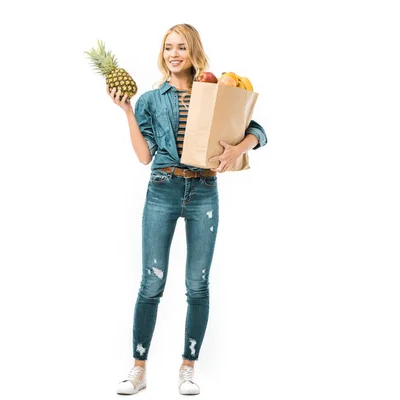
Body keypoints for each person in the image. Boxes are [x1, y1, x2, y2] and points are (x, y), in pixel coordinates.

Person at [108, 24, 268, 395]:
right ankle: (139, 368)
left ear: (193, 50)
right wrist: (128, 111)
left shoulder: (214, 90)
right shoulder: (150, 99)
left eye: (181, 47)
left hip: (203, 192)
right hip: (163, 188)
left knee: (197, 284)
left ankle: (187, 367)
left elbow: (258, 131)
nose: (174, 54)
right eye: (168, 47)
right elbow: (144, 156)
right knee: (152, 282)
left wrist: (236, 149)